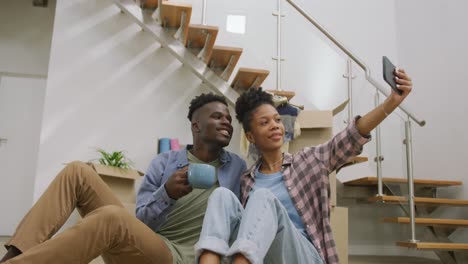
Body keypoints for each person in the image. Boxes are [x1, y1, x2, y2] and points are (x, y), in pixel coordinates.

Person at [195, 68, 413, 264]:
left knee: (263, 197)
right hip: (266, 258)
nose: (275, 126)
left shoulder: (309, 160)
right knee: (222, 195)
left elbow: (352, 136)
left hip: (306, 257)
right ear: (250, 136)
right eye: (265, 123)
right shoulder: (246, 181)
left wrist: (391, 102)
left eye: (277, 120)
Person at [1, 93, 246, 264]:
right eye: (216, 116)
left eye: (228, 118)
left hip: (179, 258)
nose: (226, 121)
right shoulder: (165, 162)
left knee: (113, 218)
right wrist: (166, 194)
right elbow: (142, 222)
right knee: (77, 172)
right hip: (151, 243)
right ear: (196, 126)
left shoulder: (237, 167)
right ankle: (13, 257)